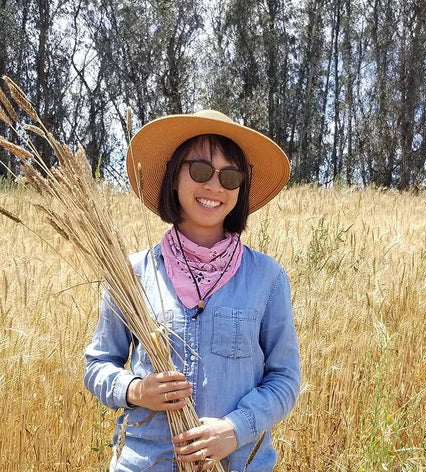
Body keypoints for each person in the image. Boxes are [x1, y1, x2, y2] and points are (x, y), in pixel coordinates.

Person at [84, 110, 301, 472]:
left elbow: (285, 378)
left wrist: (235, 429)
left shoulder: (268, 277)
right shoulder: (132, 273)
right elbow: (98, 364)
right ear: (173, 177)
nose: (215, 186)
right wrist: (137, 390)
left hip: (240, 464)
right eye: (200, 170)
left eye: (230, 176)